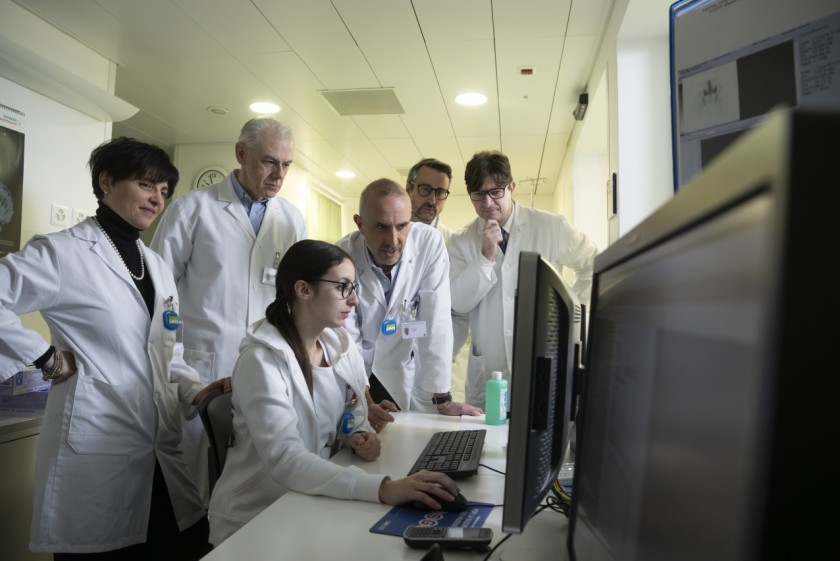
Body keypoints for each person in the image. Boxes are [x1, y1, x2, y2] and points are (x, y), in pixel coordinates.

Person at [0, 137, 229, 559]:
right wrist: (46, 357)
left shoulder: (155, 265)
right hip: (97, 443)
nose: (157, 199)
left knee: (187, 541)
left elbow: (165, 352)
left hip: (160, 448)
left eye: (163, 191)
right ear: (106, 182)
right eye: (146, 185)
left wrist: (199, 390)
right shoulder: (64, 252)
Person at [207, 240, 461, 546]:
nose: (354, 299)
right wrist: (383, 488)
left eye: (353, 287)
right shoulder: (261, 361)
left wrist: (357, 434)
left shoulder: (337, 344)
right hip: (258, 519)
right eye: (342, 287)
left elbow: (352, 409)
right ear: (304, 289)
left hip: (312, 500)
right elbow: (286, 459)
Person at [150, 117, 306, 504]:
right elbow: (157, 295)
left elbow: (296, 298)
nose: (279, 174)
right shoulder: (192, 208)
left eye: (287, 165)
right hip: (204, 366)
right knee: (202, 484)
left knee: (255, 482)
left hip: (265, 368)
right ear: (241, 153)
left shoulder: (291, 219)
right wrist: (175, 363)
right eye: (270, 162)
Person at [449, 150, 599, 408]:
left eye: (496, 191)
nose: (487, 203)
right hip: (488, 374)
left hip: (541, 359)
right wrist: (485, 257)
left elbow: (593, 264)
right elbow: (458, 303)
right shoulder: (461, 241)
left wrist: (567, 314)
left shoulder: (551, 227)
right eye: (478, 195)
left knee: (538, 431)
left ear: (512, 187)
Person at [336, 179, 481, 432]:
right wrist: (363, 399)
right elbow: (347, 339)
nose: (393, 240)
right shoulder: (341, 257)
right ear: (360, 224)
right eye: (381, 227)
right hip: (361, 368)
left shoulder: (429, 244)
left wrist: (442, 398)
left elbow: (436, 320)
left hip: (405, 366)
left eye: (402, 226)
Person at [405, 157, 454, 246]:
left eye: (440, 193)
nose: (432, 201)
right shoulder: (386, 230)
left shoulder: (451, 243)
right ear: (409, 189)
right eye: (425, 189)